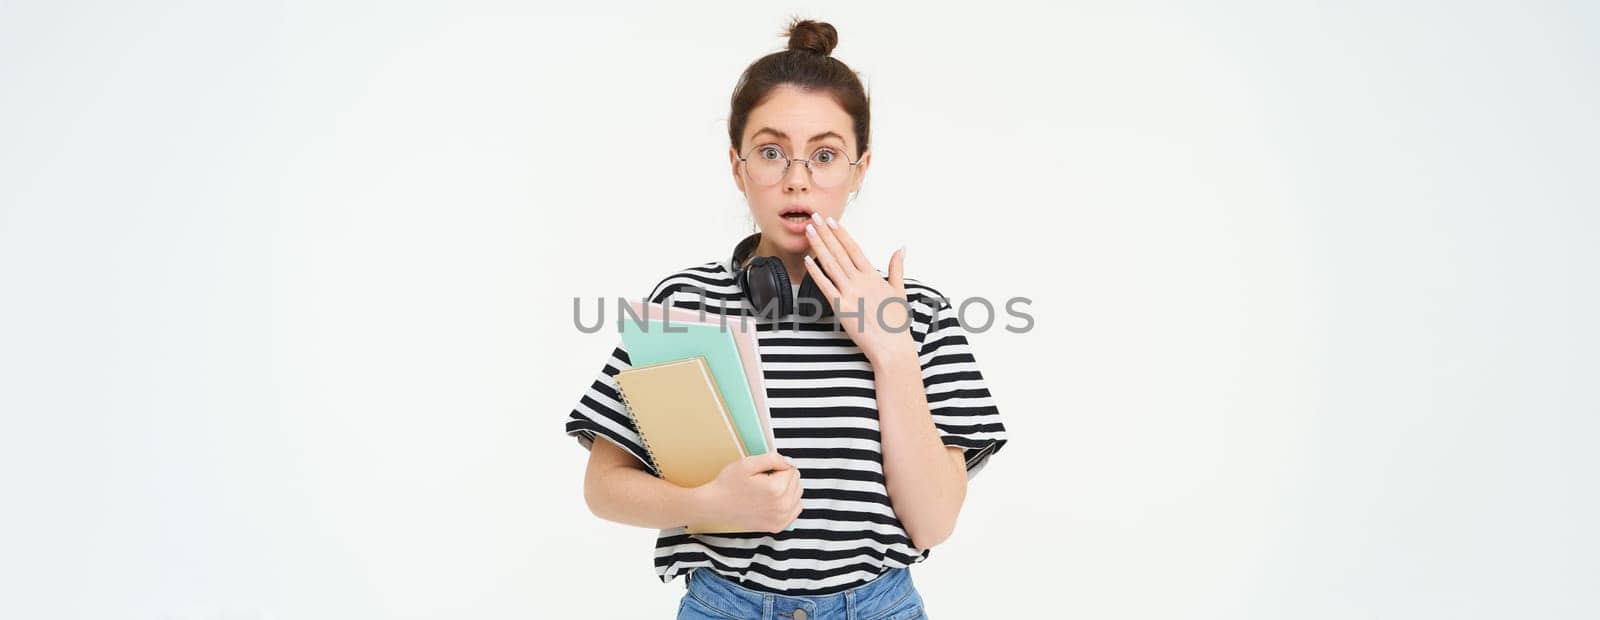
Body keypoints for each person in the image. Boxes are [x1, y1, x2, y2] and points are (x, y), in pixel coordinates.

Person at [564, 18, 1009, 619]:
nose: (797, 179)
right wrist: (710, 503)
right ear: (736, 165)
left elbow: (932, 524)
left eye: (825, 155)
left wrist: (893, 352)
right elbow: (604, 487)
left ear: (860, 169)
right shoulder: (682, 303)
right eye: (772, 152)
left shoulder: (920, 314)